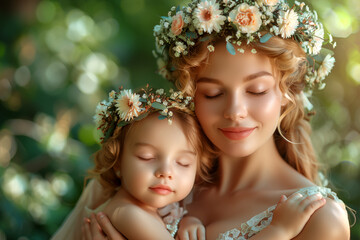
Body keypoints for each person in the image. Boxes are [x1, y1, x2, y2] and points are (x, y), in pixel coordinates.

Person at [67, 0, 352, 239]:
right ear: (190, 96)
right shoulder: (146, 176)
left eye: (257, 90)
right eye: (213, 93)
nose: (235, 111)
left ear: (287, 92)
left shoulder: (318, 218)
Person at [52, 86, 327, 240]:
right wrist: (279, 231)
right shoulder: (128, 214)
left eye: (183, 163)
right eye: (147, 158)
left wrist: (187, 219)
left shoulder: (158, 206)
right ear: (117, 162)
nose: (165, 172)